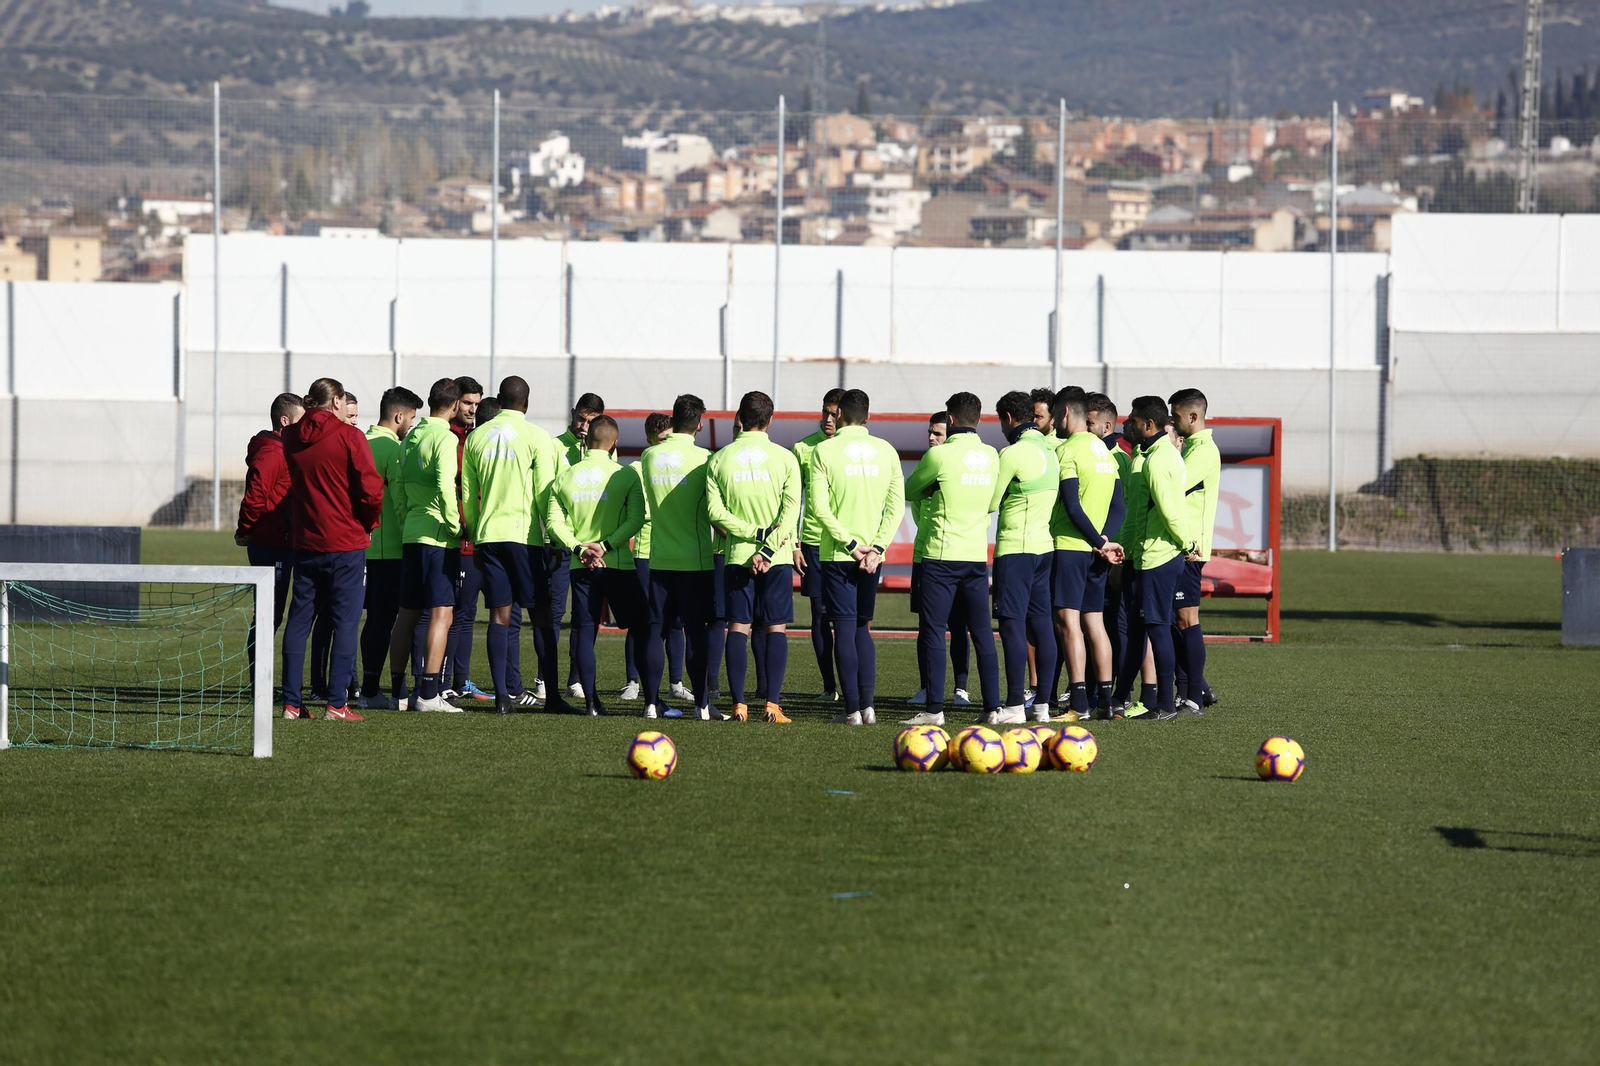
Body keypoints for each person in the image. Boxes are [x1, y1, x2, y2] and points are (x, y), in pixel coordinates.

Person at [279, 377, 384, 721]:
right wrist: (368, 523)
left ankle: (292, 703)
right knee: (346, 621)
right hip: (345, 541)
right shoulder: (349, 436)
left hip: (307, 540)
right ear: (337, 401)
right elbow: (371, 490)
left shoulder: (291, 436)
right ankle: (336, 703)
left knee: (299, 621)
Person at [901, 391, 1002, 728]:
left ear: (952, 419)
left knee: (933, 631)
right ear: (979, 419)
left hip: (941, 556)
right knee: (982, 633)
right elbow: (992, 503)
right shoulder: (992, 455)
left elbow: (910, 490)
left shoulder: (940, 455)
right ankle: (992, 707)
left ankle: (934, 709)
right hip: (975, 556)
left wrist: (934, 489)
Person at [806, 389, 905, 727]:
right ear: (867, 416)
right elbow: (896, 508)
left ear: (839, 415)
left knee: (845, 630)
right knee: (862, 628)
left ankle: (851, 711)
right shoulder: (887, 450)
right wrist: (877, 548)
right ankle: (868, 707)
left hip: (839, 554)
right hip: (872, 558)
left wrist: (850, 544)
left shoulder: (824, 450)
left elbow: (819, 508)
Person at [461, 375, 557, 716]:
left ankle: (502, 697)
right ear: (526, 403)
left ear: (498, 400)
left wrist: (476, 532)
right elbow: (546, 492)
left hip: (489, 536)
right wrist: (552, 537)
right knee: (541, 615)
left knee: (499, 615)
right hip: (523, 536)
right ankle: (553, 697)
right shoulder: (536, 436)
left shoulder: (476, 437)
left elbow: (468, 494)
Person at [706, 391, 802, 723]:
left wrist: (753, 536)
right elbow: (790, 515)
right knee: (775, 626)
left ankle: (739, 706)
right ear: (770, 420)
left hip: (737, 555)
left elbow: (715, 513)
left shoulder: (719, 459)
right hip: (777, 557)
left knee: (738, 625)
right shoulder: (785, 458)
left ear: (740, 418)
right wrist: (768, 547)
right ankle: (772, 706)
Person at [545, 415, 646, 717]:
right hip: (618, 563)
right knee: (642, 628)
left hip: (581, 566)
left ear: (586, 441)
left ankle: (591, 702)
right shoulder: (625, 475)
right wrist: (606, 545)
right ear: (615, 443)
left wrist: (580, 548)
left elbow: (553, 523)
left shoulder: (565, 476)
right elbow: (636, 519)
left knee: (585, 631)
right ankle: (652, 701)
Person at [1114, 396, 1198, 723]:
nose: (1129, 425)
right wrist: (1126, 550)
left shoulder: (1160, 459)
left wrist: (1187, 542)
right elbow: (1139, 514)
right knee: (1138, 630)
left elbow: (1169, 510)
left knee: (1158, 627)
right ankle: (1118, 699)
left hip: (1159, 558)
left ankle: (1165, 705)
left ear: (1148, 425)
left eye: (1133, 420)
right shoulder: (1150, 455)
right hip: (1144, 556)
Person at [638, 394, 720, 720]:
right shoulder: (705, 459)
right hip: (694, 561)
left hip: (659, 558)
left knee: (655, 631)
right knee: (695, 633)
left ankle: (650, 704)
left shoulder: (649, 455)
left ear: (672, 420)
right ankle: (702, 705)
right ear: (699, 424)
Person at [386, 378, 466, 714]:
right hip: (437, 535)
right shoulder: (444, 437)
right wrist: (455, 525)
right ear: (455, 404)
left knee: (407, 613)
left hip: (413, 534)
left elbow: (398, 486)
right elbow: (446, 485)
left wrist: (406, 519)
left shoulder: (410, 436)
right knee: (442, 612)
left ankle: (398, 692)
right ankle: (429, 693)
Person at [1051, 389, 1125, 722]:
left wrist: (1097, 541)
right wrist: (1105, 540)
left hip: (1070, 547)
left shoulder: (1067, 451)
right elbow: (1119, 507)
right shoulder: (1106, 453)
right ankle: (1105, 702)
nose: (1055, 423)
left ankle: (1079, 703)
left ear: (1066, 412)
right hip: (1098, 553)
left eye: (1056, 416)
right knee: (1095, 622)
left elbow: (1071, 505)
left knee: (1069, 624)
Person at [988, 390, 1060, 725]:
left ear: (1008, 418)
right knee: (1042, 624)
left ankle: (1015, 705)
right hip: (1044, 547)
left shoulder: (1012, 453)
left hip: (1015, 548)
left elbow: (991, 502)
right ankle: (1042, 704)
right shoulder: (1051, 450)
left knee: (1012, 625)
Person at [357, 386, 422, 709]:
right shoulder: (393, 449)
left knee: (370, 620)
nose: (412, 424)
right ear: (398, 416)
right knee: (386, 620)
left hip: (359, 546)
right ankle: (373, 691)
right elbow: (399, 499)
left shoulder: (359, 443)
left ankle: (366, 687)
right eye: (411, 418)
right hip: (390, 548)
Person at [622, 413, 691, 705]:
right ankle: (633, 682)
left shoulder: (679, 462)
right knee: (642, 621)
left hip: (674, 552)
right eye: (662, 439)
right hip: (645, 551)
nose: (667, 443)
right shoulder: (637, 468)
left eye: (669, 437)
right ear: (649, 438)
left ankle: (676, 683)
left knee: (675, 622)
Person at [236, 392, 305, 680]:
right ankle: (258, 685)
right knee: (269, 614)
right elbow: (255, 497)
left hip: (282, 542)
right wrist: (246, 530)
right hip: (271, 543)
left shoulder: (281, 450)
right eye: (301, 421)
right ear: (285, 421)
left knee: (273, 614)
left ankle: (262, 684)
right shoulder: (272, 453)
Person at [907, 411, 971, 707]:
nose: (932, 438)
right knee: (927, 627)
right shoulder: (926, 464)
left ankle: (961, 689)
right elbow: (917, 510)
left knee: (959, 626)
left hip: (957, 556)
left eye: (938, 433)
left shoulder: (960, 467)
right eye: (930, 433)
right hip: (925, 556)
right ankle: (926, 687)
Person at [791, 388, 845, 703]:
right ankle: (829, 687)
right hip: (813, 543)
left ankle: (854, 688)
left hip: (849, 545)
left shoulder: (854, 449)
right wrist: (794, 544)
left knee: (850, 620)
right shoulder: (802, 449)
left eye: (834, 414)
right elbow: (792, 501)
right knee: (820, 616)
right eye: (825, 411)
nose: (828, 418)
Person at [1170, 387, 1220, 713]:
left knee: (1187, 619)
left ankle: (1192, 696)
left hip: (1190, 548)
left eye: (1175, 416)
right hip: (1180, 545)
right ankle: (1198, 687)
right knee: (1175, 620)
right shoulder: (1192, 448)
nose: (1172, 422)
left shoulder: (1202, 451)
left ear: (1192, 416)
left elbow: (1173, 484)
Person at [554, 392, 604, 699]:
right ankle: (545, 678)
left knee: (585, 616)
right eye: (581, 418)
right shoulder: (555, 447)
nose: (584, 426)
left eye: (591, 421)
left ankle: (576, 678)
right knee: (554, 612)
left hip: (591, 549)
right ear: (573, 413)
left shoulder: (604, 453)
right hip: (561, 543)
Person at [442, 375, 488, 701]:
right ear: (455, 402)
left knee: (468, 612)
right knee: (451, 613)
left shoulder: (476, 437)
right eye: (468, 403)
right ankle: (440, 681)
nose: (473, 409)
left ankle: (461, 680)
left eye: (477, 404)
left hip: (478, 539)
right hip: (454, 538)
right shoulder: (446, 438)